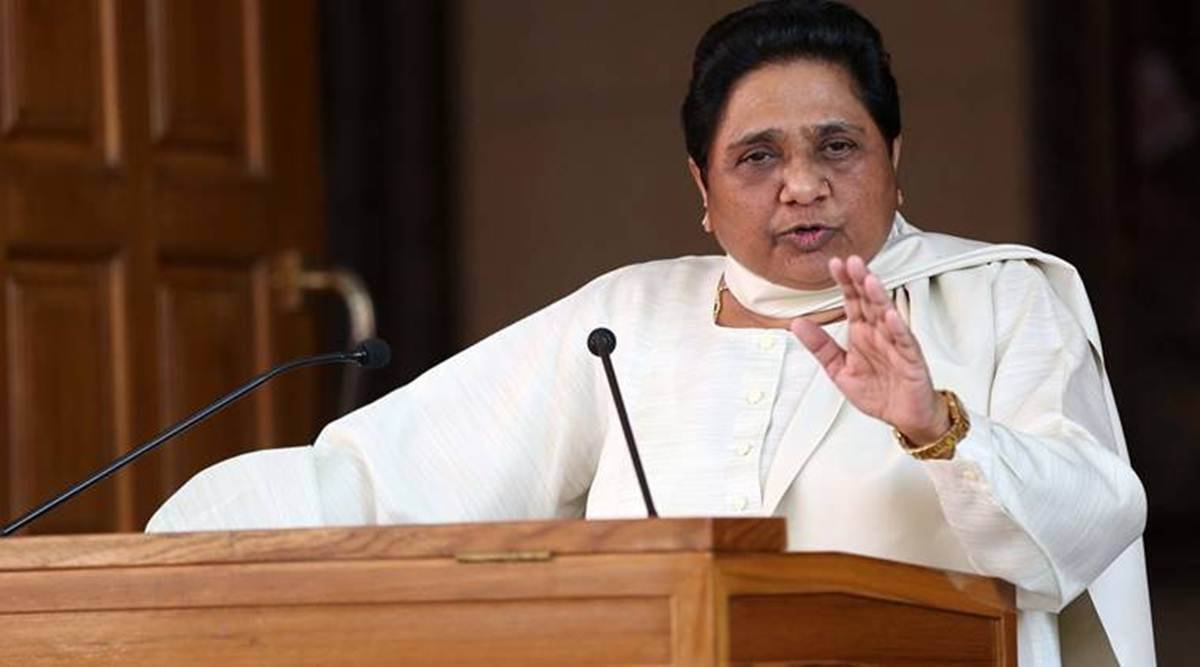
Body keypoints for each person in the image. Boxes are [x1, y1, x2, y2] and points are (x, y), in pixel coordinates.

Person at [148, 1, 1153, 664]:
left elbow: (1089, 519)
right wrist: (167, 560)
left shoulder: (1000, 296)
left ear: (895, 155)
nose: (803, 184)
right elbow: (392, 477)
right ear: (702, 191)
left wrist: (938, 428)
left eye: (838, 146)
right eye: (757, 157)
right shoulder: (625, 318)